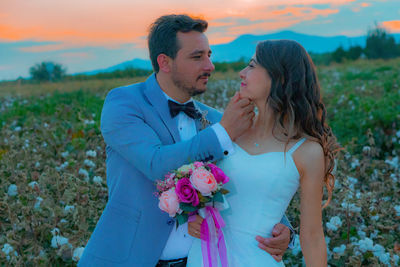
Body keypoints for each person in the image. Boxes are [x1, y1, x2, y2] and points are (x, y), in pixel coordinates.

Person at [78, 15, 293, 267]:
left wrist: (282, 229)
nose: (210, 66)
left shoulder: (216, 120)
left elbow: (247, 179)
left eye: (209, 55)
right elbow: (157, 164)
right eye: (197, 57)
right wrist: (224, 133)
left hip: (202, 260)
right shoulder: (124, 103)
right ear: (165, 62)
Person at [187, 39, 339, 266]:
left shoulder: (307, 151)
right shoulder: (228, 130)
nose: (241, 73)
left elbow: (312, 236)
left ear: (280, 77)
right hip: (204, 257)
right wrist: (192, 216)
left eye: (252, 65)